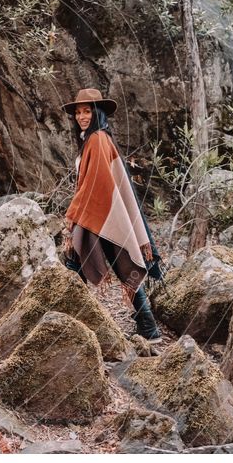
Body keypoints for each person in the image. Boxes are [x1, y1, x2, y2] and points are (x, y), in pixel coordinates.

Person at [60, 88, 164, 342]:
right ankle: (147, 328)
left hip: (100, 212)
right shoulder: (97, 138)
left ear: (97, 113)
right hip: (102, 212)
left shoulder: (97, 139)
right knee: (114, 265)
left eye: (87, 111)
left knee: (78, 261)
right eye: (78, 112)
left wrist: (73, 214)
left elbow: (95, 184)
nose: (82, 116)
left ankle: (71, 322)